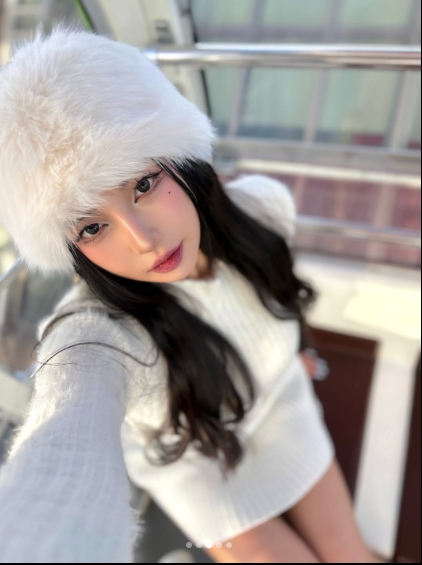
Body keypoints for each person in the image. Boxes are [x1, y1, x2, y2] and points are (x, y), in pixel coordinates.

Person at [0, 28, 384, 563]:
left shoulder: (265, 208)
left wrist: (290, 348)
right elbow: (66, 421)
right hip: (192, 458)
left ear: (180, 157)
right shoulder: (100, 331)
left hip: (280, 396)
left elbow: (276, 291)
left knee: (352, 556)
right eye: (91, 227)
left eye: (142, 184)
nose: (142, 240)